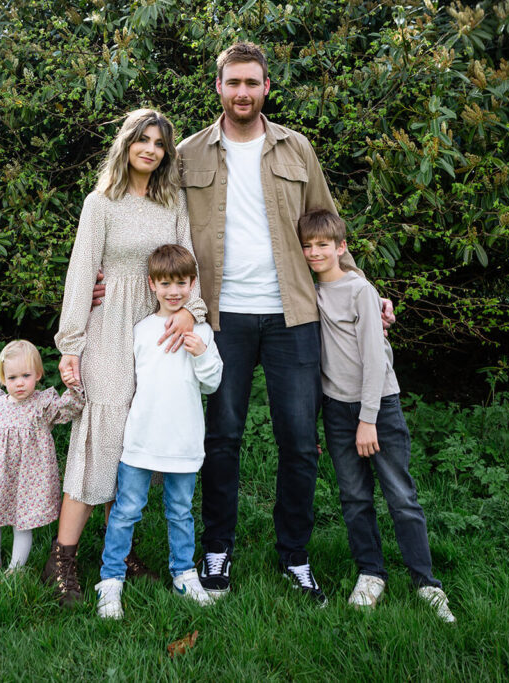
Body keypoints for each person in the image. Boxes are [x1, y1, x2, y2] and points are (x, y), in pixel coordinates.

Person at [175, 41, 393, 605]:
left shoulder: (297, 149)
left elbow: (327, 226)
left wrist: (362, 288)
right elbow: (162, 230)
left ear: (266, 87)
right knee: (222, 438)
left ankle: (294, 554)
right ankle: (216, 549)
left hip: (294, 316)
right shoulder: (189, 153)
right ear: (218, 87)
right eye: (233, 83)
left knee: (299, 443)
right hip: (222, 318)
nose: (242, 92)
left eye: (252, 82)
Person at [44, 109, 207, 606]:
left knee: (138, 440)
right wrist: (71, 344)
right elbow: (80, 273)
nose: (151, 150)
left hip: (157, 329)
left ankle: (122, 549)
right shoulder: (101, 203)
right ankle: (63, 558)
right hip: (111, 328)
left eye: (159, 143)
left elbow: (189, 263)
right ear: (126, 144)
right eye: (143, 140)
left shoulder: (171, 202)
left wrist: (192, 313)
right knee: (103, 439)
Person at [299, 210, 455, 621]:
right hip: (336, 409)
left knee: (400, 495)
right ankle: (371, 573)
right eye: (308, 246)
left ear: (341, 248)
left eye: (323, 245)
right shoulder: (310, 294)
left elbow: (374, 357)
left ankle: (426, 582)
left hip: (377, 407)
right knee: (353, 497)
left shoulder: (360, 291)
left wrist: (368, 418)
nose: (315, 252)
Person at [94, 245, 223, 619]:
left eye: (181, 283)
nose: (173, 291)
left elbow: (212, 384)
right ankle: (111, 580)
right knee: (126, 511)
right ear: (152, 284)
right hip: (141, 439)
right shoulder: (141, 330)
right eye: (165, 283)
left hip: (183, 440)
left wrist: (200, 352)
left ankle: (183, 573)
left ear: (192, 284)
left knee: (180, 512)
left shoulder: (201, 333)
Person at [0, 340, 84, 582]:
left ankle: (15, 569)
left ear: (38, 374)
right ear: (3, 379)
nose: (19, 383)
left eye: (26, 376)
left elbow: (70, 409)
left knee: (22, 522)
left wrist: (73, 389)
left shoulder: (42, 404)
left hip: (30, 475)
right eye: (12, 377)